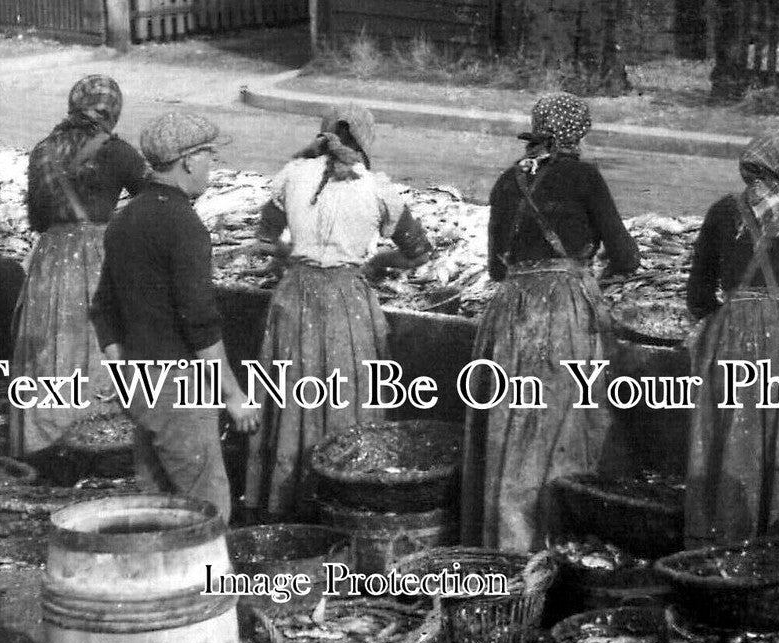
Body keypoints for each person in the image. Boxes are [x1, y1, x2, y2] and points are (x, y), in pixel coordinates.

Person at [460, 93, 640, 552]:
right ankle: (560, 543)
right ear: (577, 133)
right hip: (564, 314)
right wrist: (590, 273)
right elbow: (627, 256)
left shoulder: (506, 183)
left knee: (515, 423)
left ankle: (510, 545)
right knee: (566, 424)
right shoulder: (585, 176)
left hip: (511, 313)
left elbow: (498, 269)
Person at [243, 104, 433, 522]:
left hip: (294, 297)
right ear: (366, 141)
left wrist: (296, 257)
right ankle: (343, 497)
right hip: (348, 301)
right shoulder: (378, 189)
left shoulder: (292, 175)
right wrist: (379, 262)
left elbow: (264, 238)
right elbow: (419, 253)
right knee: (345, 391)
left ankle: (285, 500)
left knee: (292, 392)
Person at [89, 112, 259, 522]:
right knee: (206, 506)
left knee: (156, 505)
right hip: (180, 385)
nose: (210, 168)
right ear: (187, 161)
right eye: (208, 158)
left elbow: (103, 309)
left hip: (139, 381)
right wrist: (233, 396)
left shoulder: (123, 219)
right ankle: (209, 586)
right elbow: (200, 323)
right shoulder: (184, 225)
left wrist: (124, 372)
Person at [685, 127, 779, 547]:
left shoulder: (721, 212)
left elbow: (698, 293)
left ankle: (724, 537)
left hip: (730, 335)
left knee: (730, 431)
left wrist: (724, 321)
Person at [9, 75, 149, 461]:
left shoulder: (42, 151)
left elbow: (37, 218)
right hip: (98, 259)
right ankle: (95, 445)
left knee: (52, 348)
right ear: (113, 112)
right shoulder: (118, 152)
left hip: (51, 256)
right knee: (95, 345)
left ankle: (43, 448)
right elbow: (154, 197)